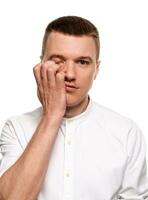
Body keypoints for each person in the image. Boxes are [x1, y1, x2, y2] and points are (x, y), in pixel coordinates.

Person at [0, 15, 148, 200]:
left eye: (82, 62)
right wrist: (52, 115)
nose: (69, 74)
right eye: (58, 61)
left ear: (97, 69)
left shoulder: (127, 133)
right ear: (41, 64)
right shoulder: (16, 128)